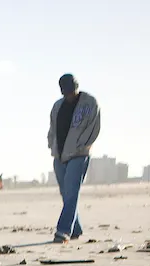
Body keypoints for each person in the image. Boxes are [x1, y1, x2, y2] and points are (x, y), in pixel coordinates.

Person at [47, 74, 101, 242]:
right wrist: (51, 145)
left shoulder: (89, 103)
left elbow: (94, 127)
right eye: (66, 92)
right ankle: (76, 229)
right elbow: (52, 128)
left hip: (79, 155)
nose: (69, 95)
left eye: (72, 91)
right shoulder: (58, 105)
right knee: (66, 194)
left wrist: (82, 146)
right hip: (59, 155)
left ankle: (63, 231)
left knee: (72, 193)